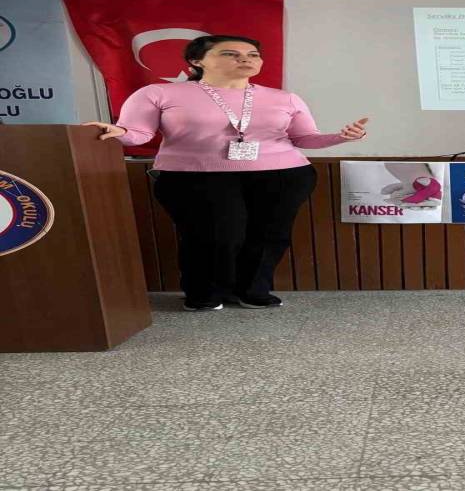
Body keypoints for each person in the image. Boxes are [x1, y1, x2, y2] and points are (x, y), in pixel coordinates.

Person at [83, 35, 369, 311]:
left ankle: (253, 291)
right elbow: (138, 133)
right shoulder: (159, 93)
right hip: (195, 176)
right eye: (230, 54)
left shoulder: (285, 98)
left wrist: (341, 137)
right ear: (196, 61)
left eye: (253, 55)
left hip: (283, 174)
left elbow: (305, 138)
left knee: (269, 235)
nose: (245, 59)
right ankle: (204, 293)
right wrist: (119, 132)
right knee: (215, 236)